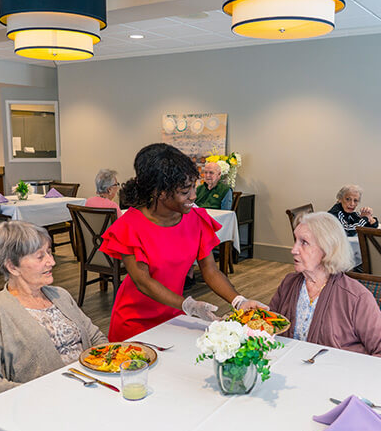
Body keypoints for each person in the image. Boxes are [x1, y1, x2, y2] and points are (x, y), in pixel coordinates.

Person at [99, 143, 265, 341]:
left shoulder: (196, 219)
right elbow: (143, 282)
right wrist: (189, 305)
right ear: (160, 192)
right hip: (134, 323)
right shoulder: (130, 225)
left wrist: (238, 301)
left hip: (174, 317)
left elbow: (210, 270)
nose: (193, 196)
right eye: (185, 192)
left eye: (194, 187)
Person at [0, 221, 107, 402]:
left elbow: (96, 338)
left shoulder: (60, 295)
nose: (52, 261)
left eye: (49, 252)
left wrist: (103, 368)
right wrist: (41, 393)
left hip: (91, 389)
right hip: (47, 406)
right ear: (12, 267)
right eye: (40, 257)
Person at [269, 212, 381, 360]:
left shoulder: (356, 297)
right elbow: (270, 329)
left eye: (304, 242)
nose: (293, 250)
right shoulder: (289, 283)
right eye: (295, 241)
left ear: (327, 249)